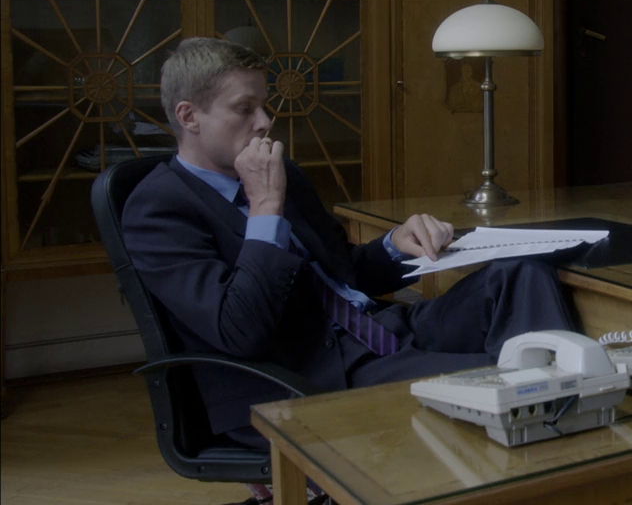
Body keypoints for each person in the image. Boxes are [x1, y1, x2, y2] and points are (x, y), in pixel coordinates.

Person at [122, 37, 578, 446]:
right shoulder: (158, 209)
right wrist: (265, 209)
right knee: (508, 379)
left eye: (265, 105)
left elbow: (345, 271)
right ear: (189, 116)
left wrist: (395, 243)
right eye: (244, 109)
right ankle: (549, 421)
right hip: (312, 373)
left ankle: (554, 408)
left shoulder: (284, 174)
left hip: (382, 327)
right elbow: (238, 331)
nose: (265, 122)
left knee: (521, 272)